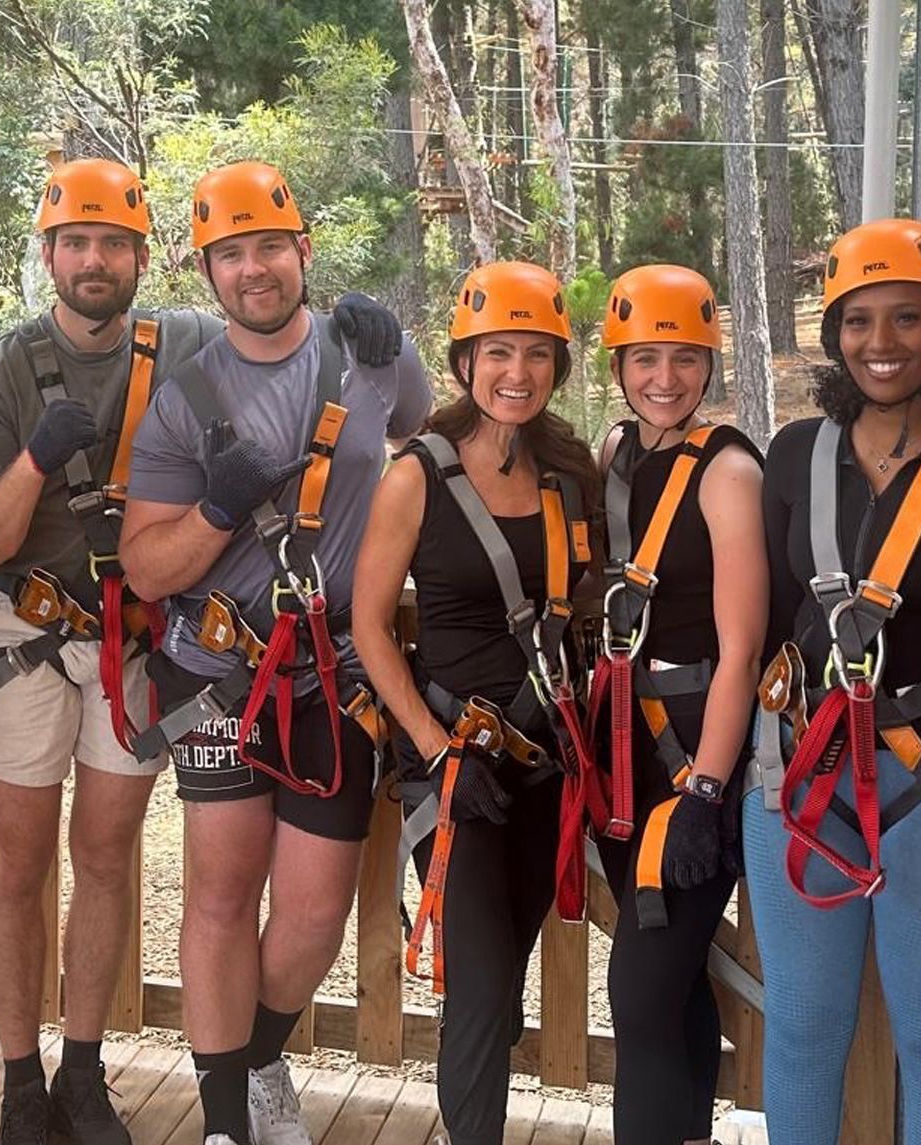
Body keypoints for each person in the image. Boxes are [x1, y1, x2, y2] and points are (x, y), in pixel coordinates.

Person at [0, 156, 404, 1145]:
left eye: (114, 241)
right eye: (77, 241)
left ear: (146, 256)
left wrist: (379, 337)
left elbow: (291, 347)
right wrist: (37, 459)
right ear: (49, 254)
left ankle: (84, 1071)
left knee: (108, 856)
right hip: (39, 636)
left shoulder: (185, 338)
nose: (95, 259)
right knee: (23, 861)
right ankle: (27, 1078)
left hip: (144, 644)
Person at [119, 160, 429, 1145]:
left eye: (268, 248)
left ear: (303, 251)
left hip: (331, 672)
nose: (253, 270)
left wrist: (401, 355)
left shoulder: (376, 359)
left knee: (312, 910)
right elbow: (145, 564)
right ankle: (223, 1120)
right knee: (217, 892)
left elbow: (425, 447)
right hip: (217, 672)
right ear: (207, 273)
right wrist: (215, 509)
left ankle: (255, 1056)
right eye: (230, 255)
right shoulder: (184, 398)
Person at [743, 217, 921, 1145]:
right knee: (800, 1031)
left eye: (906, 318)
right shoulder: (793, 455)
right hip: (801, 771)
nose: (881, 343)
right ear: (833, 337)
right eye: (858, 321)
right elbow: (774, 624)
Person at [351, 261, 600, 1145]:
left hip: (543, 765)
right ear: (464, 362)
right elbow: (371, 625)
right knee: (482, 986)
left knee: (501, 982)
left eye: (538, 355)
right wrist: (434, 746)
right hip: (456, 768)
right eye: (498, 351)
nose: (517, 373)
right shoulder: (417, 474)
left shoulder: (571, 472)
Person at [590, 265, 766, 1145]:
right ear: (617, 364)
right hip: (625, 752)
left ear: (709, 362)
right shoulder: (615, 454)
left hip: (695, 751)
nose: (665, 378)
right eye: (646, 358)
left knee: (640, 991)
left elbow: (740, 649)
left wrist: (704, 791)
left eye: (685, 358)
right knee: (674, 982)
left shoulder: (727, 470)